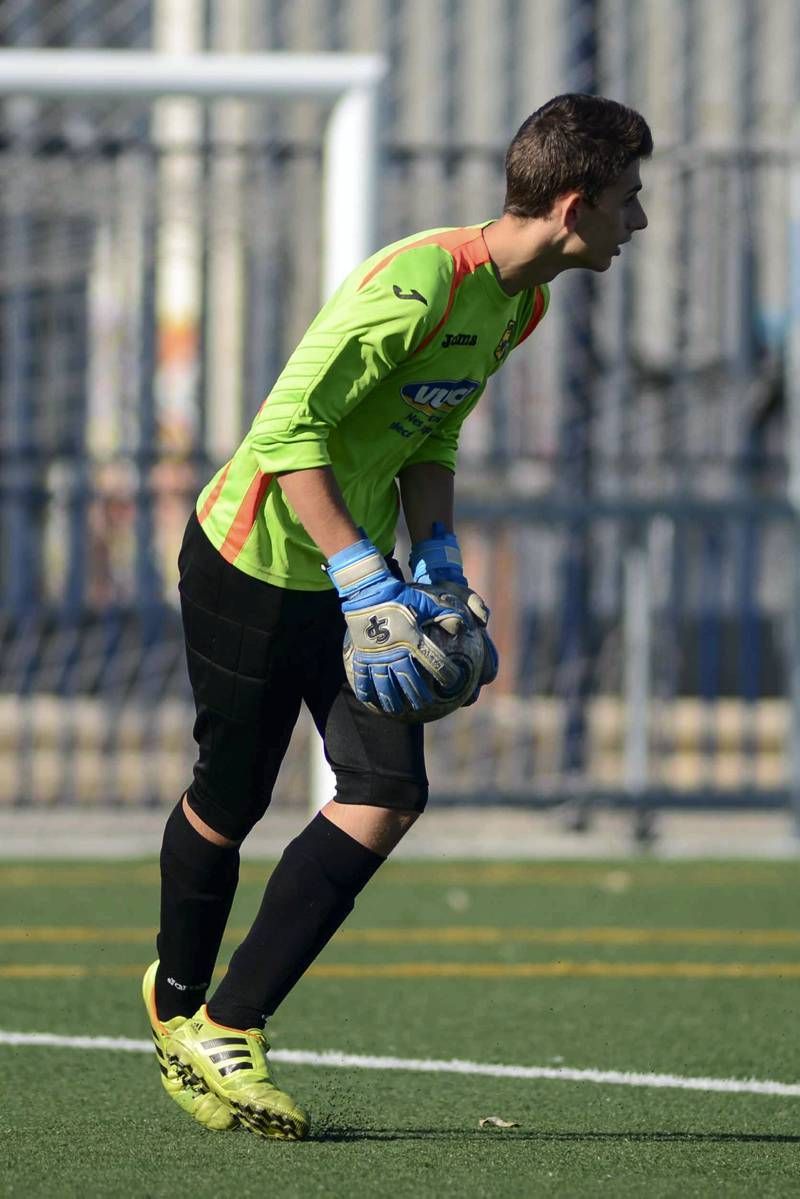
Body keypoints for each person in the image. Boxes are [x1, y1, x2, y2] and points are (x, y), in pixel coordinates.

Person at [142, 92, 652, 1141]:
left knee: (385, 790)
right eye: (625, 198)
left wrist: (437, 556)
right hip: (253, 555)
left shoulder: (521, 304)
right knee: (230, 794)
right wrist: (363, 582)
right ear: (572, 203)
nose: (634, 221)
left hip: (350, 567)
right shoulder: (423, 281)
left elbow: (432, 435)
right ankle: (176, 994)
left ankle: (227, 1026)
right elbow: (287, 433)